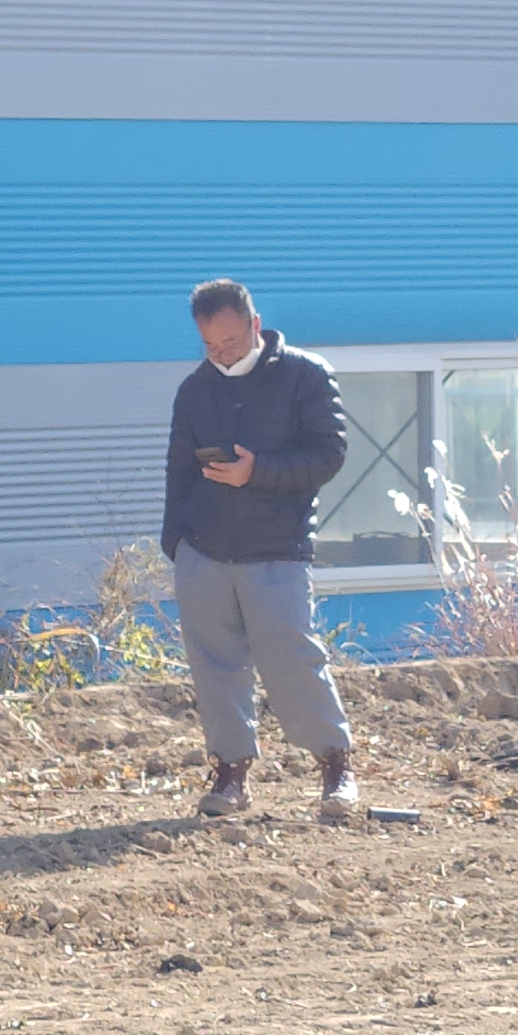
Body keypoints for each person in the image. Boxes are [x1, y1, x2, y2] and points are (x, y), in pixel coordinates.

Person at [160, 280, 360, 822]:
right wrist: (174, 542)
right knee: (214, 665)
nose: (220, 354)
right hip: (204, 549)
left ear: (254, 324)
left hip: (278, 547)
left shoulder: (306, 374)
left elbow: (330, 453)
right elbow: (179, 470)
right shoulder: (194, 390)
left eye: (229, 341)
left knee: (292, 658)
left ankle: (335, 765)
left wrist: (258, 472)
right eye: (209, 346)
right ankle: (230, 773)